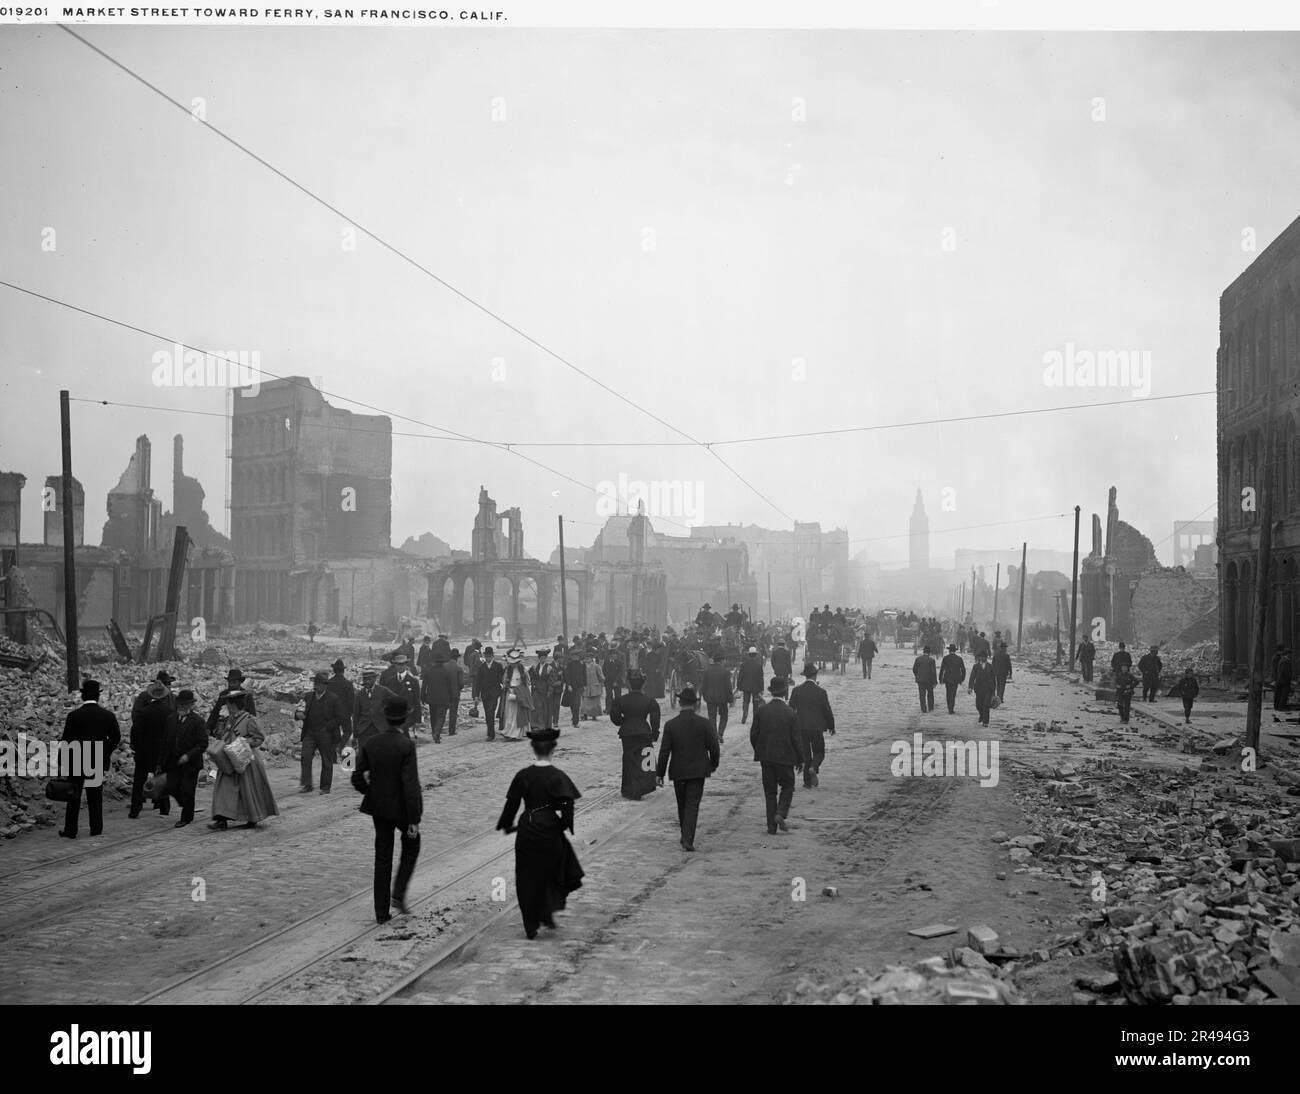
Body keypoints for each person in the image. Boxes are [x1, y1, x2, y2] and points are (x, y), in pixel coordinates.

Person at [495, 728, 585, 940]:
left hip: (527, 829)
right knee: (553, 871)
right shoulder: (557, 776)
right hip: (550, 828)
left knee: (527, 875)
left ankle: (530, 923)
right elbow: (567, 804)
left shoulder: (524, 775)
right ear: (553, 749)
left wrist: (507, 825)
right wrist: (563, 825)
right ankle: (547, 912)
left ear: (533, 749)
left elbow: (512, 804)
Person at [352, 696, 422, 924]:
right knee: (412, 845)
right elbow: (410, 785)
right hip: (401, 809)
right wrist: (414, 819)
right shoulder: (406, 745)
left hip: (379, 810)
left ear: (385, 717)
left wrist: (371, 791)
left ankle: (381, 913)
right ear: (404, 719)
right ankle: (398, 894)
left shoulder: (371, 743)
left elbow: (356, 777)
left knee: (382, 857)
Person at [656, 686, 720, 852]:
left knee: (682, 803)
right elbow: (714, 747)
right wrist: (713, 764)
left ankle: (685, 834)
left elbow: (664, 752)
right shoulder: (704, 724)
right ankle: (687, 838)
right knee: (692, 804)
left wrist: (659, 774)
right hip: (698, 770)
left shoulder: (671, 725)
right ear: (695, 704)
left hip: (678, 771)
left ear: (679, 702)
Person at [58, 679, 120, 839]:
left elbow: (66, 740)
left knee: (74, 796)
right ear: (98, 697)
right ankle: (96, 829)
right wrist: (104, 752)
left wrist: (62, 761)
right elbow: (115, 737)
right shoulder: (107, 716)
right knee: (95, 796)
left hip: (77, 760)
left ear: (83, 696)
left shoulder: (73, 716)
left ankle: (71, 830)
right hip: (97, 761)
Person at [208, 692, 279, 830]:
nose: (226, 706)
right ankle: (221, 819)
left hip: (246, 761)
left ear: (233, 704)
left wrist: (245, 742)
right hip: (229, 760)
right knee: (224, 789)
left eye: (228, 704)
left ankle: (252, 817)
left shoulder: (249, 719)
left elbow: (259, 738)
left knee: (248, 790)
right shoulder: (228, 719)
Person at [750, 677, 805, 835]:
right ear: (785, 691)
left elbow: (754, 735)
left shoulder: (761, 711)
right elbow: (796, 739)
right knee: (788, 787)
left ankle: (771, 827)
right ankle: (780, 813)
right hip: (785, 758)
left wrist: (760, 750)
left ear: (771, 692)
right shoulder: (791, 714)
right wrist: (800, 759)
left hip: (766, 758)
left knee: (770, 792)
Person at [155, 689, 208, 828]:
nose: (182, 708)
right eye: (180, 705)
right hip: (173, 762)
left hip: (191, 764)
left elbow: (203, 743)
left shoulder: (198, 721)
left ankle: (186, 817)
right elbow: (165, 741)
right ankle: (187, 804)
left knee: (188, 790)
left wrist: (188, 755)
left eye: (185, 705)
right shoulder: (171, 719)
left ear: (190, 705)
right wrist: (160, 762)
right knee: (172, 787)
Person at [609, 670, 661, 800]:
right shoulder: (649, 701)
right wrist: (655, 733)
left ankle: (629, 789)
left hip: (627, 733)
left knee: (629, 760)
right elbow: (655, 720)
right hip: (644, 731)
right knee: (645, 760)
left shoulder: (621, 700)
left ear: (629, 685)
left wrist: (623, 722)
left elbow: (614, 717)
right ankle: (643, 787)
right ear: (643, 685)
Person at [130, 681, 173, 818]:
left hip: (144, 752)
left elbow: (135, 731)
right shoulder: (170, 713)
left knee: (139, 780)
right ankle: (164, 807)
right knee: (162, 779)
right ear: (164, 696)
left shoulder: (143, 712)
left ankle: (135, 809)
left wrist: (135, 746)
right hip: (162, 753)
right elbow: (172, 734)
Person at [297, 670, 345, 794]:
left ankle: (325, 787)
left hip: (326, 734)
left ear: (325, 685)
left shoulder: (334, 699)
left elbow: (340, 717)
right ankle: (307, 784)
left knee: (327, 760)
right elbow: (299, 709)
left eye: (318, 684)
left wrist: (328, 727)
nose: (315, 686)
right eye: (315, 684)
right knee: (305, 757)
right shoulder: (309, 697)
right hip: (310, 733)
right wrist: (298, 714)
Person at [789, 662, 835, 789]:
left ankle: (807, 783)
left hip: (801, 727)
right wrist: (831, 726)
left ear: (805, 676)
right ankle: (814, 767)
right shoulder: (821, 692)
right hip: (816, 727)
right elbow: (827, 711)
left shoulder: (796, 690)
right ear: (815, 675)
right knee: (819, 752)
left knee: (805, 755)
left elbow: (790, 710)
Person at [352, 666, 396, 751]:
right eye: (365, 679)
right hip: (364, 731)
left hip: (380, 729)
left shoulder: (383, 691)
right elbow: (356, 716)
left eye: (369, 679)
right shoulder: (359, 695)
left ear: (374, 679)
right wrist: (355, 735)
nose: (367, 681)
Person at [428, 649, 466, 743]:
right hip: (454, 694)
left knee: (439, 714)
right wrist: (458, 689)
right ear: (457, 658)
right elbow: (461, 683)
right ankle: (451, 731)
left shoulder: (444, 666)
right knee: (453, 713)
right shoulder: (459, 668)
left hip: (442, 694)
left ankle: (437, 732)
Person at [701, 651, 735, 744]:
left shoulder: (707, 671)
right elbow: (728, 687)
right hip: (722, 698)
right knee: (724, 716)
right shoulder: (725, 671)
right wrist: (731, 700)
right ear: (722, 660)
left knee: (712, 717)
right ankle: (720, 734)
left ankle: (714, 735)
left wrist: (704, 696)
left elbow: (703, 686)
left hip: (710, 698)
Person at [499, 649, 533, 741]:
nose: (514, 664)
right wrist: (507, 686)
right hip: (509, 694)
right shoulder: (508, 670)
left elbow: (527, 682)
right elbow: (504, 681)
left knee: (517, 715)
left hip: (519, 695)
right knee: (509, 714)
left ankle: (516, 734)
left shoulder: (523, 671)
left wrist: (522, 691)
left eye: (515, 662)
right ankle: (508, 732)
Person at [388, 654, 423, 738]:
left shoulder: (413, 681)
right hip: (394, 714)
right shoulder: (390, 681)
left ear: (406, 665)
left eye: (402, 664)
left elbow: (416, 700)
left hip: (408, 714)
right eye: (398, 664)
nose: (400, 666)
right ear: (395, 665)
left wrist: (418, 718)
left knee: (402, 730)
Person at [476, 647, 505, 740]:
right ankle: (490, 732)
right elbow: (477, 682)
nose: (488, 658)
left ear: (492, 656)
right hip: (484, 694)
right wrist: (476, 695)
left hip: (494, 693)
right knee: (487, 713)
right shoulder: (481, 667)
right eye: (486, 656)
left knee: (491, 712)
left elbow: (502, 679)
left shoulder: (498, 666)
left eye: (489, 656)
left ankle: (491, 734)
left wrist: (505, 687)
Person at [326, 658, 355, 745]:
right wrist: (350, 713)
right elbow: (351, 701)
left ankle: (335, 747)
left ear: (334, 670)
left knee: (335, 732)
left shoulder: (328, 683)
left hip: (332, 713)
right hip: (344, 713)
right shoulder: (348, 684)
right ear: (343, 671)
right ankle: (340, 746)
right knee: (348, 731)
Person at [530, 649, 557, 732]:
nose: (543, 659)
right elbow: (531, 678)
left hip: (545, 691)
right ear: (539, 658)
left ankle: (544, 726)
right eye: (541, 658)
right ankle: (535, 725)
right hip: (537, 690)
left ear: (546, 658)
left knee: (545, 709)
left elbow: (551, 681)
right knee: (536, 708)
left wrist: (549, 691)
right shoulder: (534, 667)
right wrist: (533, 685)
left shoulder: (549, 668)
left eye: (544, 658)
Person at [737, 646, 765, 724]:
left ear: (749, 655)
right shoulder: (758, 665)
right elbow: (760, 678)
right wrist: (762, 688)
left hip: (746, 687)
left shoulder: (744, 665)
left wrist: (739, 686)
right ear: (755, 655)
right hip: (756, 687)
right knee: (755, 703)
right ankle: (755, 718)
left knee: (746, 701)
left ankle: (745, 714)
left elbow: (740, 676)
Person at [968, 650, 996, 727]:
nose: (983, 658)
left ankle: (985, 722)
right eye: (982, 657)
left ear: (986, 658)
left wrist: (993, 691)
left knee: (986, 705)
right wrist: (970, 687)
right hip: (979, 689)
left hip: (988, 689)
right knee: (978, 705)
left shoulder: (990, 667)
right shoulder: (976, 666)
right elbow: (972, 677)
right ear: (979, 658)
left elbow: (993, 679)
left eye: (985, 657)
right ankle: (981, 715)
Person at [939, 643, 966, 714]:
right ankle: (951, 708)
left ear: (949, 650)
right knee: (953, 693)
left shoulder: (946, 658)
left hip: (948, 678)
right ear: (955, 651)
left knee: (948, 693)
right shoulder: (959, 659)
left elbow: (942, 669)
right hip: (956, 679)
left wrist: (940, 679)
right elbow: (963, 669)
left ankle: (949, 707)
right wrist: (962, 679)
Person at [563, 648, 587, 728]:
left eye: (576, 656)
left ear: (578, 656)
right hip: (571, 687)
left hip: (579, 687)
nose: (575, 657)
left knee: (577, 704)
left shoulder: (582, 664)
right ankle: (574, 717)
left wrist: (585, 685)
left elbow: (584, 675)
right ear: (572, 657)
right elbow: (567, 675)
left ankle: (575, 722)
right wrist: (568, 685)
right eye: (574, 656)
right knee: (572, 704)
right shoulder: (569, 664)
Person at [912, 645, 938, 713]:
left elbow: (914, 669)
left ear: (923, 652)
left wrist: (917, 675)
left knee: (922, 695)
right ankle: (930, 707)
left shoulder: (918, 659)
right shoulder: (931, 660)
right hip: (929, 680)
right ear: (929, 653)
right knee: (930, 694)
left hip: (920, 680)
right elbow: (933, 672)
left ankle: (923, 708)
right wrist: (934, 682)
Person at [580, 650, 604, 720]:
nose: (587, 659)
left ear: (592, 658)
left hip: (595, 686)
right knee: (585, 701)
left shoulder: (596, 666)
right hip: (586, 687)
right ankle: (585, 715)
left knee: (595, 702)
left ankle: (594, 715)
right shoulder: (583, 666)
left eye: (589, 658)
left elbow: (600, 675)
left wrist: (601, 682)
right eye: (586, 658)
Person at [464, 640, 484, 717]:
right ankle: (476, 696)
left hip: (472, 672)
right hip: (477, 672)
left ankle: (474, 696)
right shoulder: (477, 654)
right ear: (479, 648)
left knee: (474, 685)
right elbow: (478, 663)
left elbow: (469, 662)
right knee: (477, 685)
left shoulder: (472, 654)